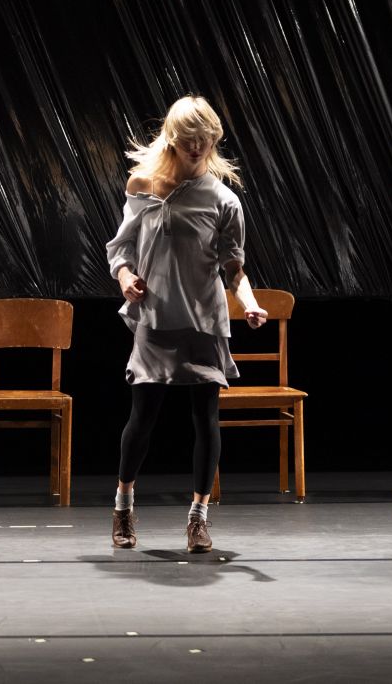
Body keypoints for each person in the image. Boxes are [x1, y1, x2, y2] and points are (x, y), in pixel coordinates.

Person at [105, 95, 266, 553]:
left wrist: (249, 303)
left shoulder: (224, 200)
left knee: (205, 419)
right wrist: (125, 277)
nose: (197, 146)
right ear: (173, 139)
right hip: (157, 318)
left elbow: (234, 268)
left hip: (204, 320)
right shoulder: (143, 184)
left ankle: (198, 516)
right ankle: (123, 504)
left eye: (205, 139)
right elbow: (121, 247)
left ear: (214, 140)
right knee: (143, 417)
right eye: (188, 139)